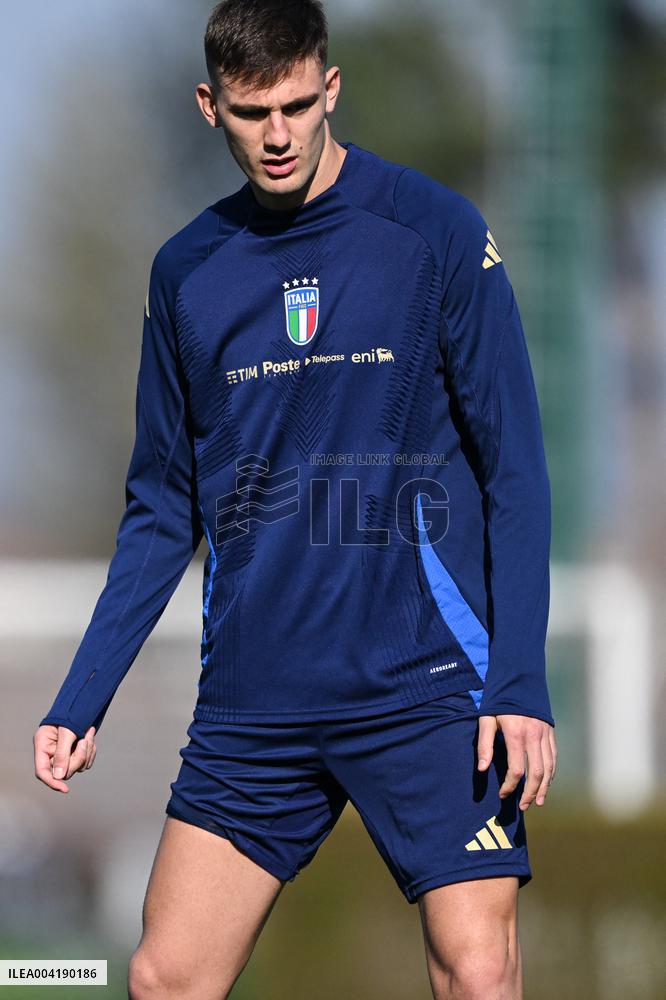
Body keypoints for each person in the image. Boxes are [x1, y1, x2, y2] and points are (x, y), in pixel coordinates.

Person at [33, 1, 557, 997]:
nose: (277, 135)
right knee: (162, 977)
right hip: (256, 699)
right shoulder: (185, 272)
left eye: (295, 104)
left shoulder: (433, 231)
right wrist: (83, 692)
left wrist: (519, 683)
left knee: (479, 970)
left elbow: (518, 470)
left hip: (427, 685)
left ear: (330, 87)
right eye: (250, 111)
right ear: (209, 106)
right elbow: (161, 505)